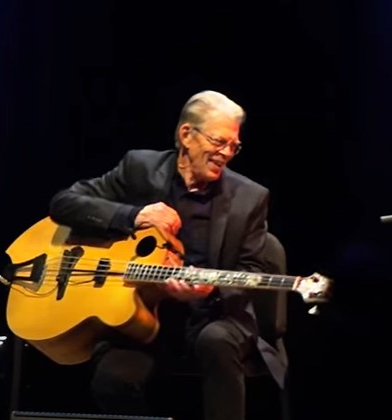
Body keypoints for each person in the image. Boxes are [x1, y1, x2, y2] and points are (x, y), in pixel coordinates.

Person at [47, 90, 285, 420]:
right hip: (146, 321)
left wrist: (209, 289)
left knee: (217, 342)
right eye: (219, 141)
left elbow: (253, 270)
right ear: (187, 135)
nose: (227, 153)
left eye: (234, 146)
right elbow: (64, 204)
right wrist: (134, 215)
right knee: (113, 379)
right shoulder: (140, 168)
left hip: (213, 316)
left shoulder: (250, 197)